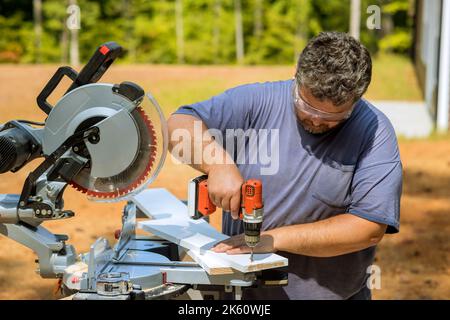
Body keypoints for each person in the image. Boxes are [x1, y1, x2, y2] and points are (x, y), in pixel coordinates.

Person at [167, 31, 402, 300]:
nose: (316, 121)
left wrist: (273, 240)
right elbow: (179, 125)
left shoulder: (374, 131)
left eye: (332, 117)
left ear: (356, 99)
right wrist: (217, 163)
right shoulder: (258, 101)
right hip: (243, 297)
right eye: (307, 107)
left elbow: (368, 228)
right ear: (296, 76)